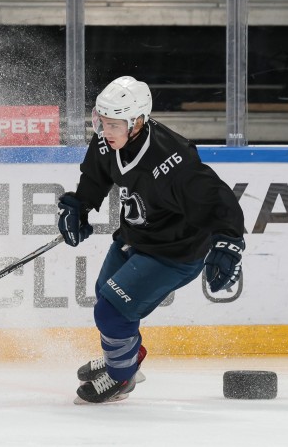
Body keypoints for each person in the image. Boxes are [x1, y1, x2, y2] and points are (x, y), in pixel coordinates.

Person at [57, 76, 245, 404]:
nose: (104, 131)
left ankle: (120, 378)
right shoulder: (108, 139)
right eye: (101, 122)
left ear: (138, 122)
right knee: (105, 296)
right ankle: (128, 354)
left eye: (114, 124)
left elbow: (215, 198)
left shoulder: (172, 158)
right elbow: (95, 176)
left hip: (175, 252)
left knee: (111, 314)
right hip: (135, 237)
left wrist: (228, 241)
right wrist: (80, 205)